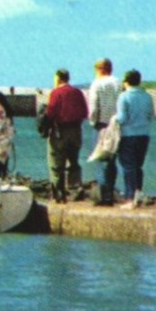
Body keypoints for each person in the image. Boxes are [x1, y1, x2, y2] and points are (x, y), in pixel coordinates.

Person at [42, 68, 90, 202]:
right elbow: (85, 112)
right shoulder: (77, 92)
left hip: (60, 131)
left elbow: (50, 113)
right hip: (76, 131)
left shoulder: (56, 93)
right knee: (73, 162)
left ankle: (59, 194)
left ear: (58, 78)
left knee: (56, 163)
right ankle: (75, 190)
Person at [114, 69, 155, 207]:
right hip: (144, 135)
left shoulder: (124, 96)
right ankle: (138, 194)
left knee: (128, 167)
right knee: (138, 166)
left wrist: (112, 120)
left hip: (128, 135)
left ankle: (130, 199)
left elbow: (122, 117)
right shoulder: (147, 96)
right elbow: (150, 115)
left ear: (126, 82)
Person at [86, 58, 122, 206]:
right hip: (118, 124)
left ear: (99, 69)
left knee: (101, 159)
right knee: (112, 160)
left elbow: (93, 106)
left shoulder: (97, 83)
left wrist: (92, 122)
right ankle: (111, 192)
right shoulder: (118, 83)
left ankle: (104, 196)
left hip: (102, 124)